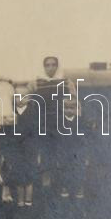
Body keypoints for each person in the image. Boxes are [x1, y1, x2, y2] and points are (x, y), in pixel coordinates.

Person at [29, 56, 78, 199]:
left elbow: (74, 103)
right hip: (43, 125)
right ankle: (46, 186)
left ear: (57, 66)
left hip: (61, 125)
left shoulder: (67, 82)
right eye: (47, 65)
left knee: (63, 155)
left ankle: (63, 185)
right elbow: (29, 103)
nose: (50, 68)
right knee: (45, 155)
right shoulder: (35, 83)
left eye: (53, 65)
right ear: (43, 67)